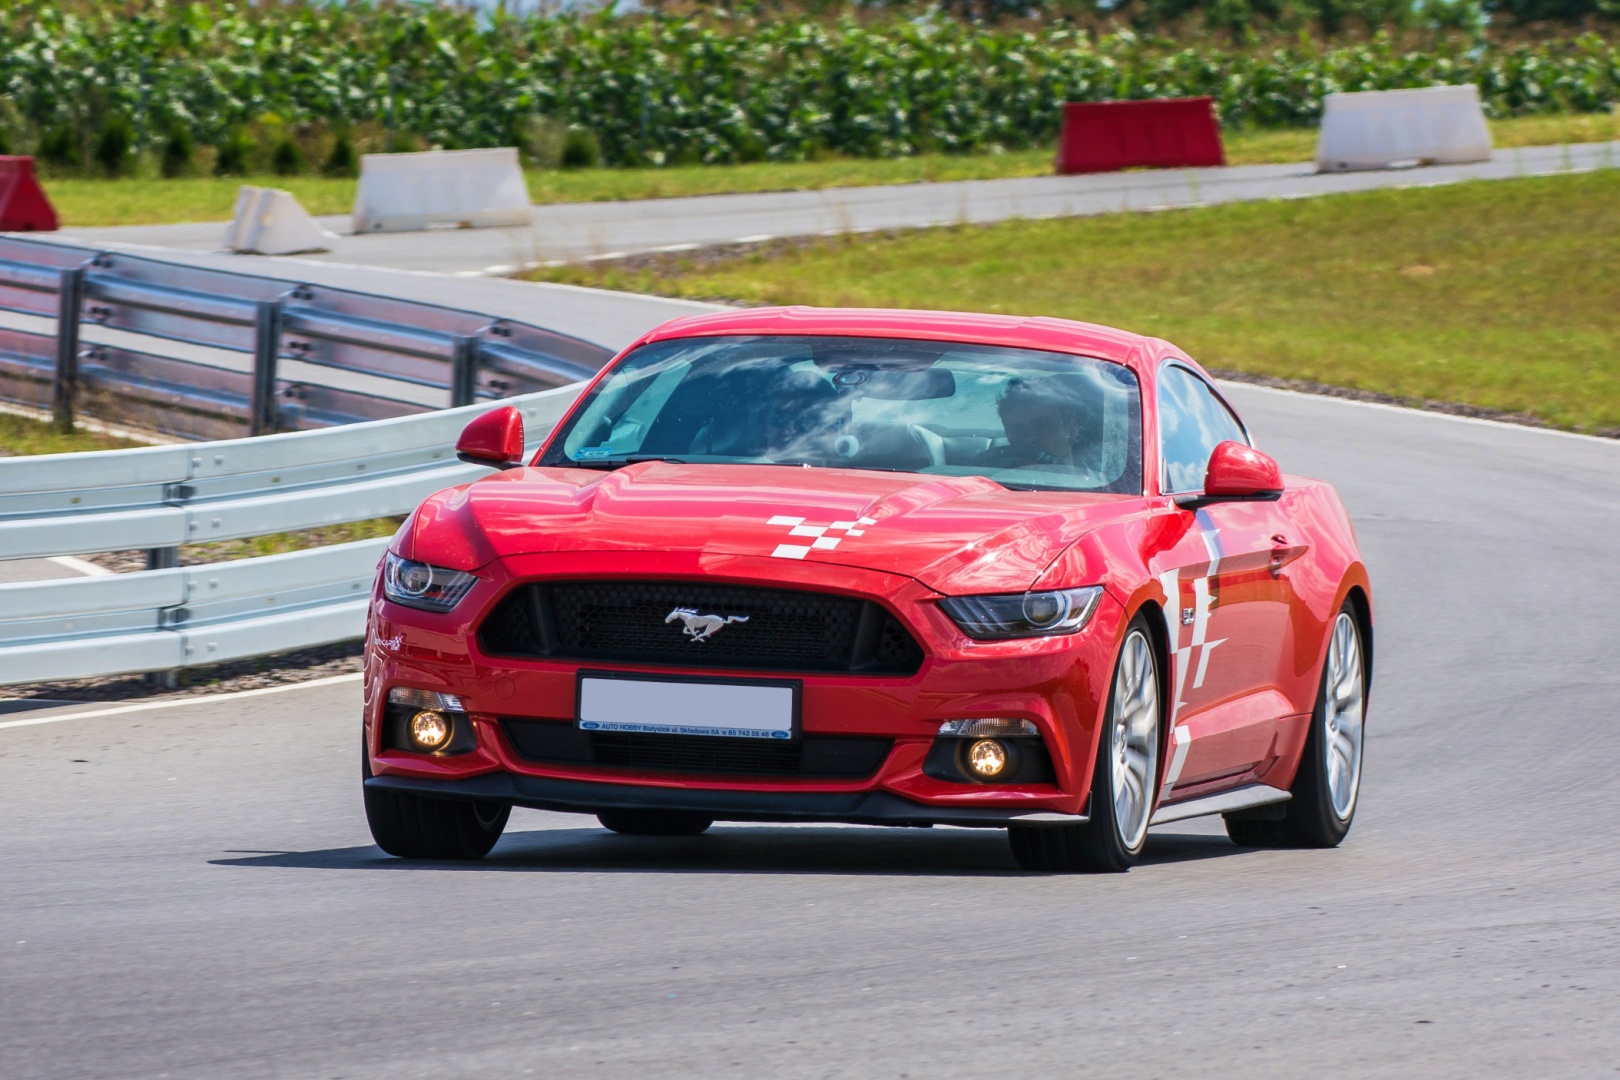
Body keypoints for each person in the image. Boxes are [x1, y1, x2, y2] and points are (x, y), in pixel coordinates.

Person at [976, 374, 1103, 472]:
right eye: (1017, 430)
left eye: (1042, 426)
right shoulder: (988, 477)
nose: (1030, 439)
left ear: (1072, 430)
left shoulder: (1102, 485)